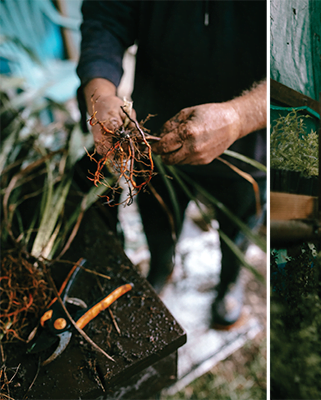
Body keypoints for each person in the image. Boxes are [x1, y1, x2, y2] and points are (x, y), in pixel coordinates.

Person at [75, 0, 267, 328]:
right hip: (155, 139)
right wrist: (100, 95)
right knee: (158, 217)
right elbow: (106, 16)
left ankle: (228, 285)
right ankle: (162, 268)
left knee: (239, 225)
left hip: (246, 149)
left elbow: (303, 64)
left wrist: (238, 117)